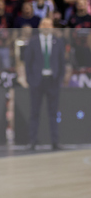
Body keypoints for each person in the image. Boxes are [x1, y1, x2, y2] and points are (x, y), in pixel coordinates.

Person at [23, 17, 66, 151]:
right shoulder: (33, 42)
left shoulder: (58, 42)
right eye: (44, 24)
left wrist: (59, 79)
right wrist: (30, 79)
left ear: (52, 27)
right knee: (34, 112)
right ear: (40, 27)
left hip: (52, 81)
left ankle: (55, 142)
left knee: (53, 113)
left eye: (49, 24)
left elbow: (62, 62)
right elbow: (28, 62)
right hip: (37, 81)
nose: (46, 27)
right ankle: (32, 141)